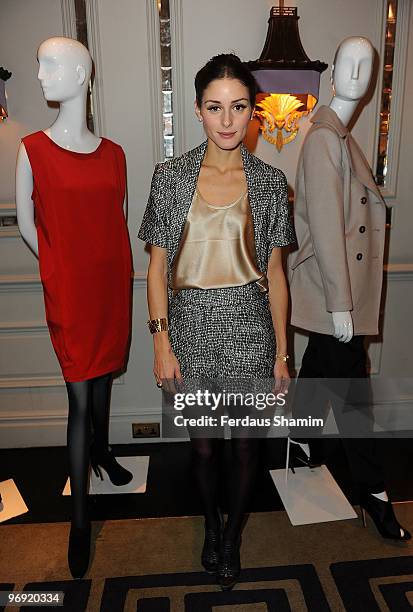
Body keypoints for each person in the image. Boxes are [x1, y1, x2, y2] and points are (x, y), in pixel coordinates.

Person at [138, 53, 295, 590]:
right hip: (191, 329)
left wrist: (280, 353)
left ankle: (232, 537)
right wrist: (162, 343)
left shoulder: (271, 182)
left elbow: (276, 274)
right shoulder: (170, 177)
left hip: (251, 329)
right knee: (203, 446)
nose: (227, 121)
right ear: (199, 110)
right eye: (214, 107)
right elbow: (156, 270)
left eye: (239, 107)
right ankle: (210, 523)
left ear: (253, 111)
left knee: (249, 444)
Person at [15, 37, 134, 579]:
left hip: (112, 287)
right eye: (39, 64)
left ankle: (105, 453)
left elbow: (117, 218)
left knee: (106, 375)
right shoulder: (32, 149)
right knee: (80, 397)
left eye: (51, 64)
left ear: (84, 74)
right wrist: (60, 265)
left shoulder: (115, 155)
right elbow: (26, 223)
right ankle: (80, 521)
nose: (39, 74)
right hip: (72, 292)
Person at [287, 37, 410, 541]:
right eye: (349, 63)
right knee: (356, 397)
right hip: (336, 291)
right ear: (333, 76)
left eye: (368, 64)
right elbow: (326, 224)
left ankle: (300, 440)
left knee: (321, 366)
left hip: (341, 292)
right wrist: (341, 304)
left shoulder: (343, 138)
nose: (359, 72)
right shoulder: (322, 140)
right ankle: (373, 491)